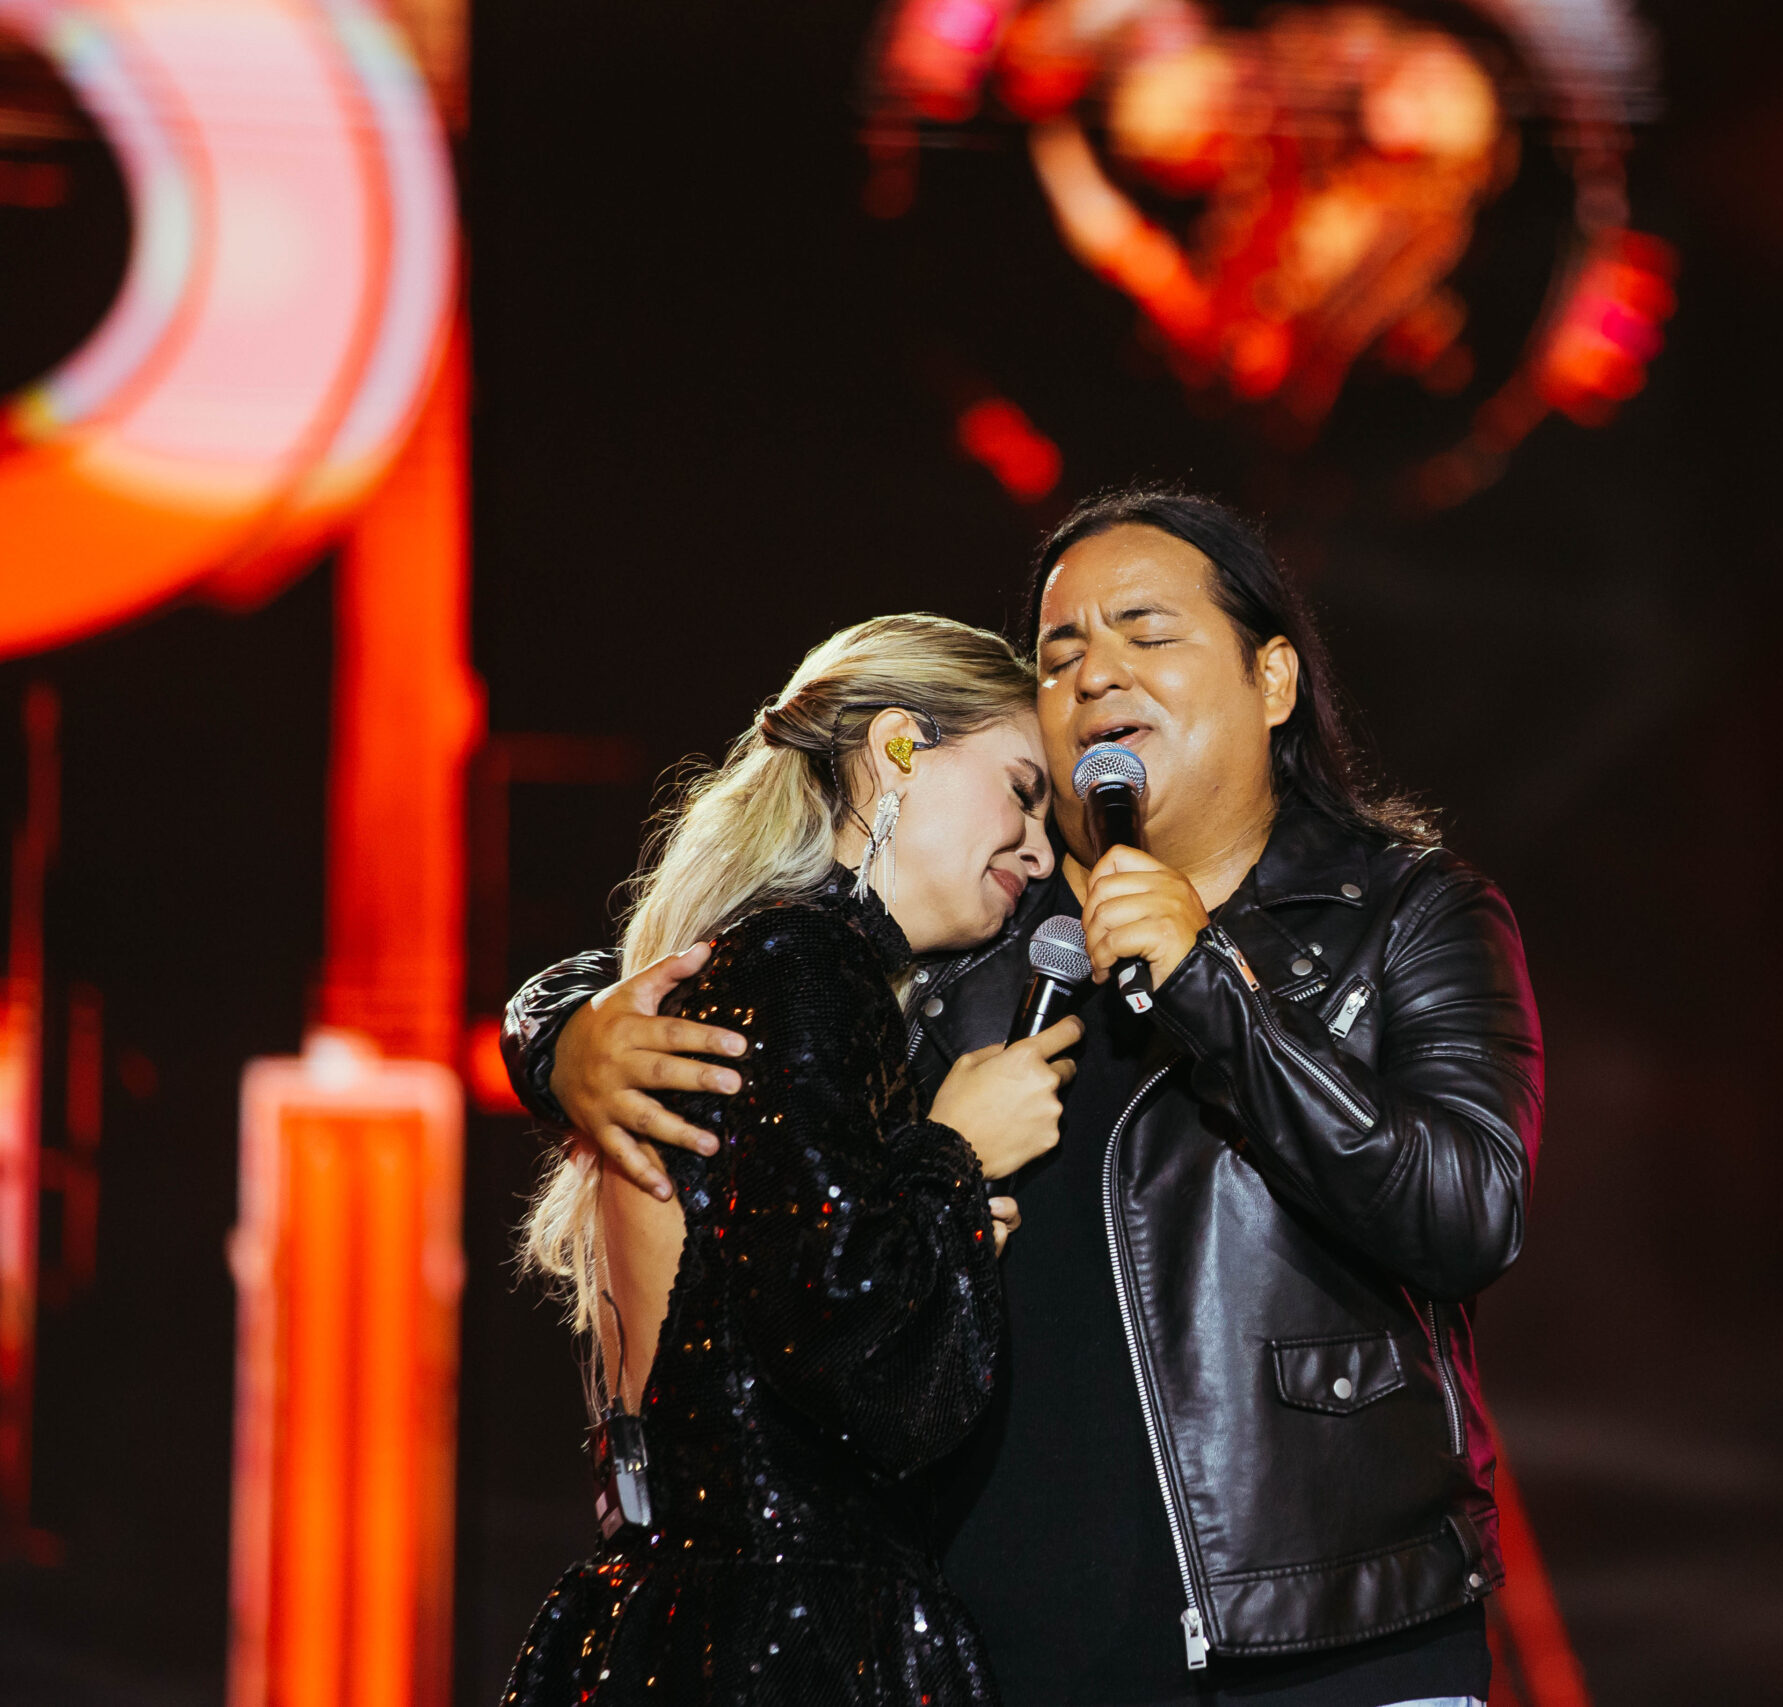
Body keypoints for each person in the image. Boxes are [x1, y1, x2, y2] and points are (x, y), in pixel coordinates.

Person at [504, 487, 1544, 1707]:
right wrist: (559, 1031)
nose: (1095, 673)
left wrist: (1212, 987)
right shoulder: (975, 940)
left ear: (1271, 680)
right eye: (1059, 655)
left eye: (1145, 632)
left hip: (1324, 1648)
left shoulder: (1404, 917)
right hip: (1000, 1663)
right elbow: (761, 968)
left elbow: (1467, 1214)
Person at [503, 614, 1082, 1707]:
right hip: (792, 1639)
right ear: (898, 747)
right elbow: (870, 1371)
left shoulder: (751, 963)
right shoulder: (808, 967)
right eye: (1021, 791)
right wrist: (955, 1160)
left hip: (686, 1624)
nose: (1041, 852)